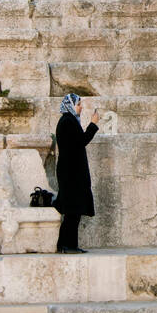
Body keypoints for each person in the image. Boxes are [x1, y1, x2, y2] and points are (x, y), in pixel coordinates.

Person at [54, 93, 100, 254]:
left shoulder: (69, 120)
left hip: (71, 171)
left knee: (72, 210)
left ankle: (65, 245)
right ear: (71, 105)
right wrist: (93, 124)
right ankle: (68, 246)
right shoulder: (68, 121)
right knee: (72, 211)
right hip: (71, 173)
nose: (80, 107)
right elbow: (81, 141)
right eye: (78, 104)